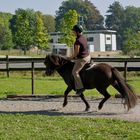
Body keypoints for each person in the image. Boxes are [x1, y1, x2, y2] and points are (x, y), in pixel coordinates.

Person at [68, 24, 91, 95]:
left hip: (82, 59)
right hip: (88, 56)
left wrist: (70, 58)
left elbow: (76, 53)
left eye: (74, 31)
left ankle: (80, 88)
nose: (73, 32)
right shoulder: (83, 38)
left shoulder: (78, 41)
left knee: (75, 72)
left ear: (77, 32)